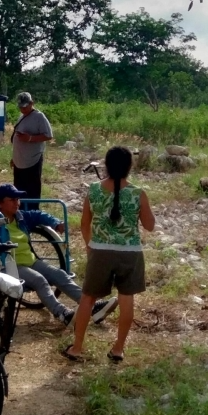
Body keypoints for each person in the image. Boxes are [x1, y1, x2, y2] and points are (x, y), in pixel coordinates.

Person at [0, 184, 118, 327]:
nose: (17, 203)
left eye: (18, 199)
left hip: (30, 261)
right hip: (8, 265)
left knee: (60, 274)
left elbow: (39, 215)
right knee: (39, 280)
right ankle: (62, 313)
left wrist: (55, 223)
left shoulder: (20, 217)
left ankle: (92, 307)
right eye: (12, 199)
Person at [65, 146, 154, 363]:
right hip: (129, 252)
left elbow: (84, 224)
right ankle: (118, 349)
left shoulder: (94, 190)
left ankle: (77, 347)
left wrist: (90, 245)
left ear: (106, 164)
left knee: (87, 298)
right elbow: (150, 226)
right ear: (129, 167)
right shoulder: (138, 193)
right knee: (126, 299)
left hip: (100, 250)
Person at [10, 92, 52, 207]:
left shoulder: (39, 116)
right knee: (18, 189)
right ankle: (20, 213)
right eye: (20, 107)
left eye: (24, 106)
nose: (22, 109)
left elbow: (48, 135)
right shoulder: (21, 116)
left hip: (32, 160)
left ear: (31, 103)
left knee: (32, 190)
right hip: (19, 161)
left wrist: (30, 138)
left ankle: (33, 214)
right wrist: (14, 157)